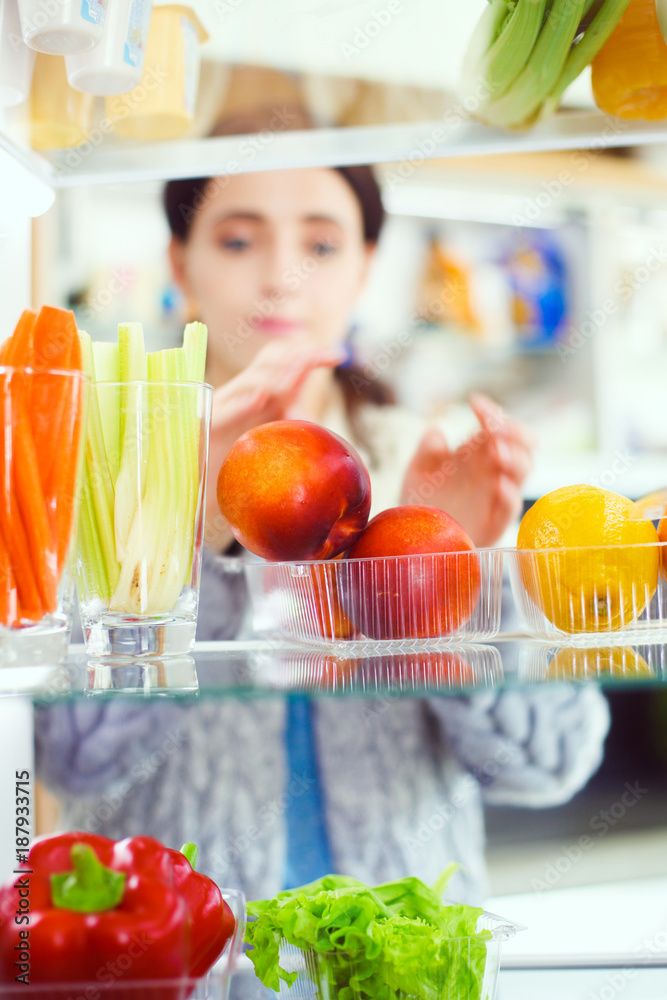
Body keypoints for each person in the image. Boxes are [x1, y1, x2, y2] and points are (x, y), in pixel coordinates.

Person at [35, 116, 610, 940]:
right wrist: (186, 533)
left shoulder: (436, 462)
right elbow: (72, 759)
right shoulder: (113, 482)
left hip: (403, 970)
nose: (280, 278)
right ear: (179, 262)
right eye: (237, 241)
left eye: (322, 243)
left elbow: (552, 762)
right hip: (187, 964)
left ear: (366, 266)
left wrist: (440, 580)